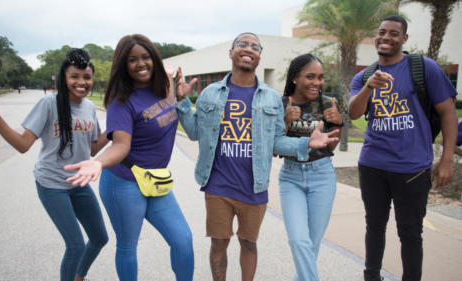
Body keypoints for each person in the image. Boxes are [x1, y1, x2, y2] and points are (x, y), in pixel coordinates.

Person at [174, 32, 339, 281]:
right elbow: (195, 133)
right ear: (231, 53)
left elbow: (276, 141)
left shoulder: (271, 98)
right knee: (219, 244)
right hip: (218, 184)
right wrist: (182, 100)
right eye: (242, 44)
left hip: (254, 185)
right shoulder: (210, 93)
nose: (249, 49)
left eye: (255, 46)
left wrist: (307, 142)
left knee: (249, 244)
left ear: (259, 57)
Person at [0, 48, 109, 281]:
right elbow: (23, 145)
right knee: (75, 246)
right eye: (75, 76)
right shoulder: (49, 103)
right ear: (64, 78)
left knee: (100, 238)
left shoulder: (89, 108)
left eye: (87, 77)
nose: (82, 82)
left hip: (78, 184)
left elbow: (91, 149)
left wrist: (116, 130)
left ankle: (78, 277)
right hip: (52, 185)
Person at [64, 34, 194, 281]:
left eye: (145, 57)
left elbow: (169, 104)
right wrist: (98, 162)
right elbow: (121, 145)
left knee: (183, 240)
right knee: (127, 246)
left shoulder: (164, 87)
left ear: (154, 58)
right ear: (124, 64)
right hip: (122, 183)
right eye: (132, 59)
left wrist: (178, 94)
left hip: (155, 180)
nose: (140, 63)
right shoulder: (121, 100)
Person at [348, 15, 458, 281]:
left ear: (404, 39)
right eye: (382, 32)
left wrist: (446, 160)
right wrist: (368, 87)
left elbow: (448, 114)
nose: (386, 37)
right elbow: (352, 113)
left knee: (410, 232)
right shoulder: (364, 76)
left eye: (394, 33)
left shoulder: (424, 68)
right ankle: (371, 276)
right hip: (373, 165)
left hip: (412, 167)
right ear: (376, 36)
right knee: (374, 226)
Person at [278, 53, 342, 281]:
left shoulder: (328, 103)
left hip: (322, 175)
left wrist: (339, 123)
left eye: (321, 78)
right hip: (291, 176)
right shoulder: (283, 103)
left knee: (311, 246)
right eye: (310, 77)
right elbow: (276, 148)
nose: (317, 83)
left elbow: (331, 146)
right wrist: (285, 121)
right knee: (298, 241)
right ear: (295, 78)